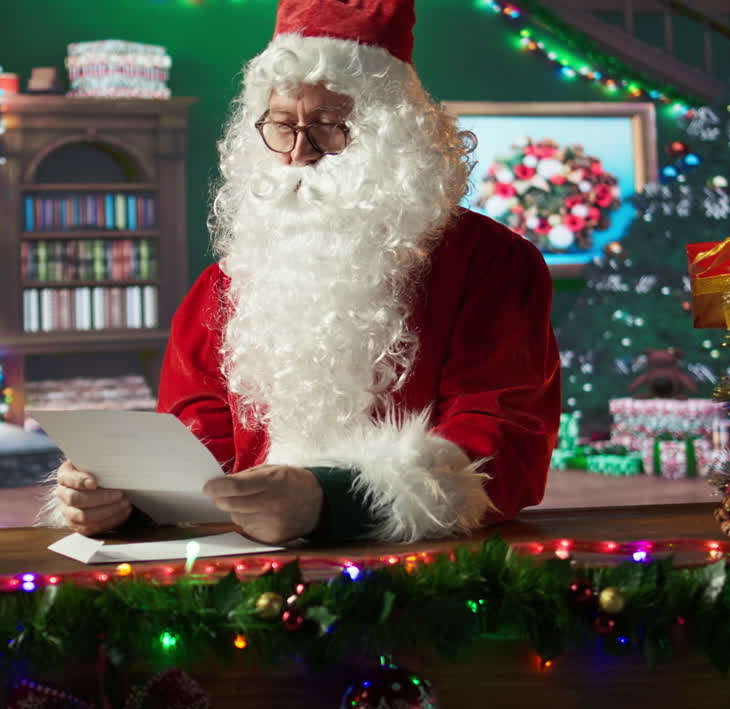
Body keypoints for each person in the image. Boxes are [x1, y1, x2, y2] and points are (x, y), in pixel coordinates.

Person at [41, 0, 561, 544]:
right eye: (282, 125)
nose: (298, 153)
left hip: (424, 568)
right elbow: (198, 446)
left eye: (329, 127)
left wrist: (332, 499)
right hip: (248, 570)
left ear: (391, 135)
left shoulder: (493, 264)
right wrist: (123, 498)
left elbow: (503, 440)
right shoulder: (222, 286)